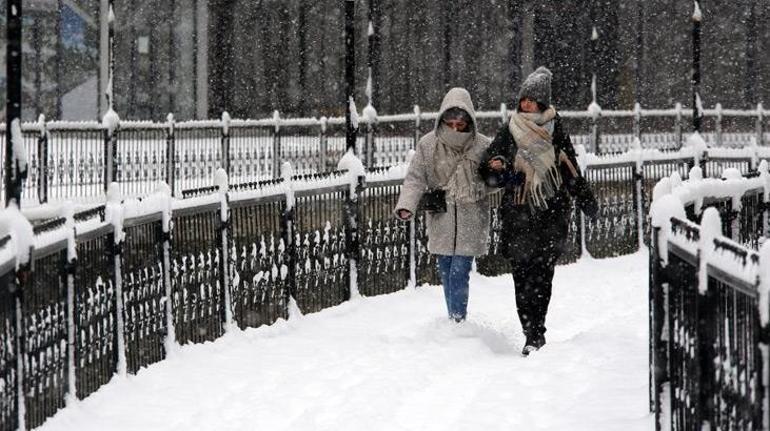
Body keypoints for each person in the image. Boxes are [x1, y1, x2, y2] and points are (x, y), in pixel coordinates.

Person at [479, 66, 597, 356]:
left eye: (532, 100)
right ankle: (529, 330)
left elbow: (570, 170)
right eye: (524, 99)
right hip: (518, 214)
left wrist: (585, 198)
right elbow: (488, 170)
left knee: (542, 277)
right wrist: (505, 173)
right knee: (521, 277)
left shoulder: (556, 130)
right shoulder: (510, 129)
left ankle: (537, 333)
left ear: (543, 102)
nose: (527, 104)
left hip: (550, 214)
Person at [394, 87, 492, 323]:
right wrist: (407, 204)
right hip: (442, 217)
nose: (455, 128)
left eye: (461, 123)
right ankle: (454, 320)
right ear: (443, 118)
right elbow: (416, 178)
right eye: (451, 123)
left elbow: (495, 180)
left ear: (470, 119)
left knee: (459, 271)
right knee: (446, 271)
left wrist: (480, 186)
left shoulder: (483, 145)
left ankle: (458, 321)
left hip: (471, 218)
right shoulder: (428, 145)